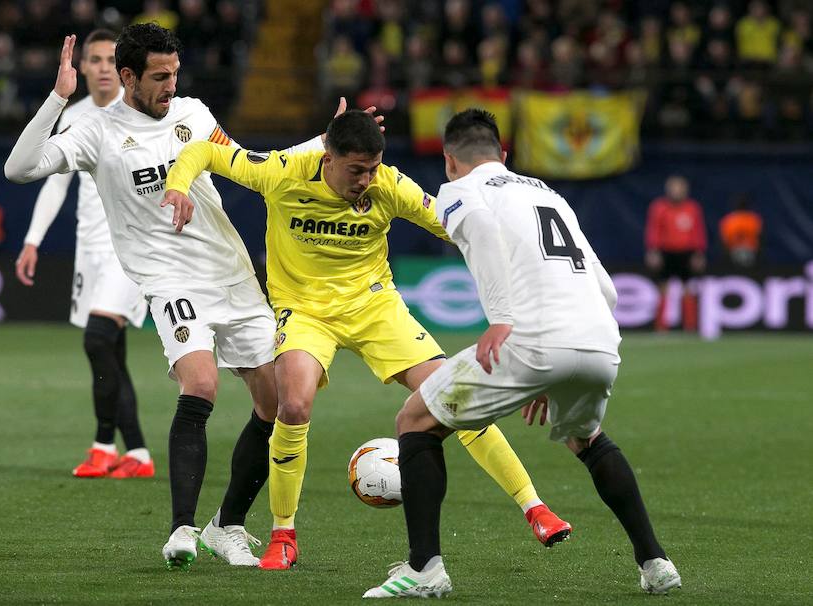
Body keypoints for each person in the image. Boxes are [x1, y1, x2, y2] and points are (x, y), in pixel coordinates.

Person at [164, 110, 571, 571]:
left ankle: (534, 507)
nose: (366, 180)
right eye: (356, 170)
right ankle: (283, 535)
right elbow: (202, 150)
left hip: (375, 307)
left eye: (373, 168)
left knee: (454, 394)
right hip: (306, 311)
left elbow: (454, 225)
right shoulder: (279, 173)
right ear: (328, 158)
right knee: (292, 404)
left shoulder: (389, 185)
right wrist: (178, 184)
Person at [4, 24, 326, 571]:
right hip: (171, 283)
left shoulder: (195, 115)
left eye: (175, 73)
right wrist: (58, 98)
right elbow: (20, 169)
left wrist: (324, 142)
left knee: (277, 405)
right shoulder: (95, 131)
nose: (171, 85)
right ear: (128, 77)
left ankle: (227, 526)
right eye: (159, 76)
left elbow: (252, 164)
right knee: (200, 384)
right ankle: (181, 527)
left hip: (232, 274)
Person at [363, 109, 680, 598]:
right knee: (586, 437)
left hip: (532, 337)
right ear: (503, 155)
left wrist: (503, 320)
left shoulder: (460, 191)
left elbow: (485, 236)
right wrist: (550, 369)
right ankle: (656, 563)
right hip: (598, 339)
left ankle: (423, 569)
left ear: (450, 160)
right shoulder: (548, 193)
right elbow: (608, 290)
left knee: (414, 421)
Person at [14, 29, 153, 480]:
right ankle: (133, 452)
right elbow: (53, 182)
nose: (102, 67)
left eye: (110, 60)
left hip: (128, 251)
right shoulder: (74, 115)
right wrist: (33, 239)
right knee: (110, 349)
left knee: (97, 339)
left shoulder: (139, 115)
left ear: (124, 68)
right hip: (89, 251)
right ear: (83, 67)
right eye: (93, 60)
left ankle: (103, 442)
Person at [644, 175, 706, 331]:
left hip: (686, 252)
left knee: (689, 289)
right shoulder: (659, 207)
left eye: (680, 188)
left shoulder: (692, 208)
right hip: (666, 252)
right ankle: (661, 327)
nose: (677, 191)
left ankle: (690, 326)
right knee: (663, 288)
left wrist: (699, 252)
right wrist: (653, 250)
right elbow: (654, 230)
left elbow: (698, 231)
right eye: (674, 187)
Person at [719, 194, 762, 268]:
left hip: (735, 252)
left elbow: (724, 241)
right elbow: (760, 238)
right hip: (749, 252)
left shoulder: (728, 220)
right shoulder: (754, 219)